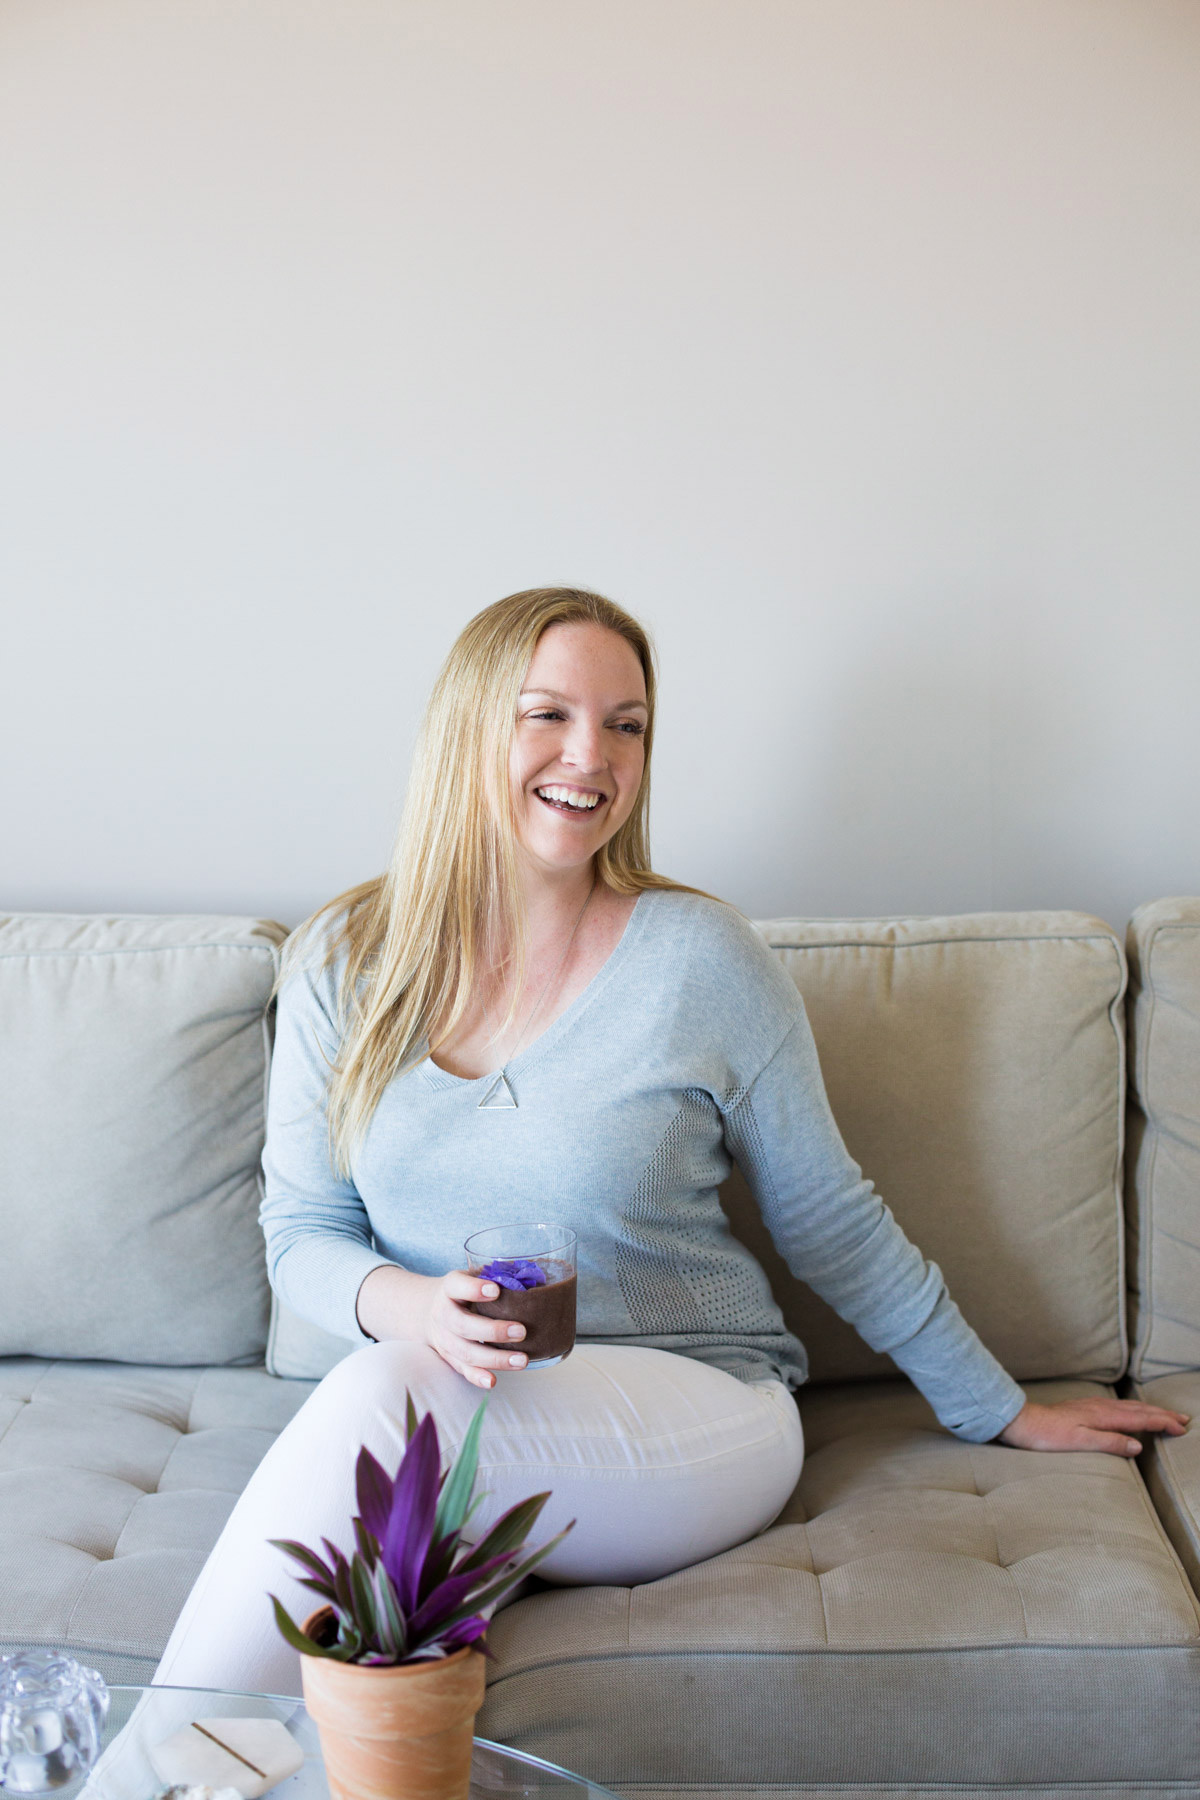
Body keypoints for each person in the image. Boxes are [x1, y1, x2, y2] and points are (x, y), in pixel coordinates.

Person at [150, 585, 1189, 1698]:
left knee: (382, 1408)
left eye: (626, 723)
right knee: (379, 1582)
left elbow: (830, 1217)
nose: (589, 755)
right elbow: (303, 1230)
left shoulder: (702, 963)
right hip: (458, 1407)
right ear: (468, 726)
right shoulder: (344, 961)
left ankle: (141, 1767)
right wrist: (413, 1308)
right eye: (546, 714)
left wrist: (1002, 1406)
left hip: (702, 1411)